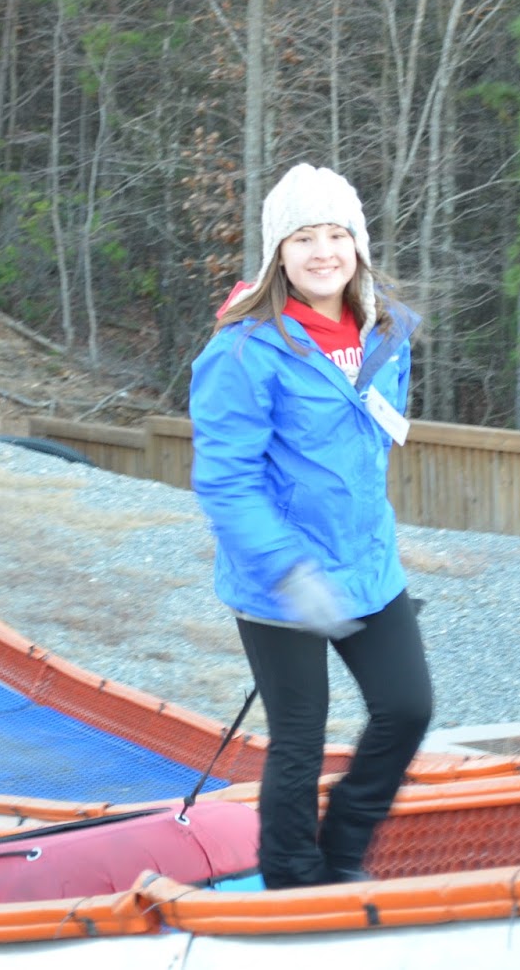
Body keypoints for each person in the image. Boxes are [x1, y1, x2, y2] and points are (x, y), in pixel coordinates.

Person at [188, 163, 433, 889]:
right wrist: (289, 569)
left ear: (357, 242)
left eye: (337, 234)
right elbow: (224, 480)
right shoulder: (242, 351)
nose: (323, 251)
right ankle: (293, 880)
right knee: (299, 740)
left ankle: (342, 852)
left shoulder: (386, 333)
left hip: (368, 566)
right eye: (303, 237)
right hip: (280, 579)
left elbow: (373, 444)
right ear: (277, 255)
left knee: (407, 708)